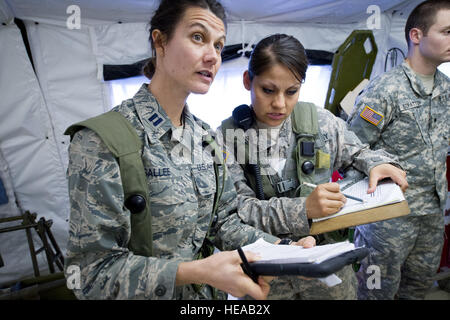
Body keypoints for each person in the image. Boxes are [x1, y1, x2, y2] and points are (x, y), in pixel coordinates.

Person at [63, 0, 315, 300]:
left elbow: (225, 222)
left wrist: (281, 250)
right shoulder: (103, 141)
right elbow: (89, 274)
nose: (213, 56)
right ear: (161, 41)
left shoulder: (206, 138)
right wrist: (194, 272)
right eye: (198, 37)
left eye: (219, 45)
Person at [218, 33, 408, 300]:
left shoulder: (320, 122)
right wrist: (303, 209)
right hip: (266, 272)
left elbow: (359, 152)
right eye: (268, 90)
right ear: (248, 81)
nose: (280, 104)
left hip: (328, 267)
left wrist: (378, 163)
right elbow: (236, 211)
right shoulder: (228, 138)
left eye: (292, 91)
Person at [347, 0, 450, 300]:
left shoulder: (445, 89)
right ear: (417, 36)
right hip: (386, 219)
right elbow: (351, 149)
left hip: (430, 214)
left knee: (417, 290)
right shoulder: (385, 90)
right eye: (446, 31)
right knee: (375, 292)